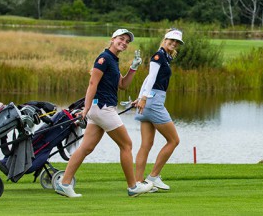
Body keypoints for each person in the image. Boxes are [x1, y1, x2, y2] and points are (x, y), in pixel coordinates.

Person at [55, 28, 153, 198]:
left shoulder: (113, 60)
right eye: (121, 39)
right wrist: (85, 109)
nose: (124, 43)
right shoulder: (104, 58)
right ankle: (132, 186)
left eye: (127, 41)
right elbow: (92, 83)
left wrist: (133, 68)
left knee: (86, 147)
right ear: (113, 39)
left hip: (100, 110)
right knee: (127, 145)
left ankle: (64, 183)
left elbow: (122, 85)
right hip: (102, 108)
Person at [133, 28, 184, 192]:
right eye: (171, 40)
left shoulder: (164, 57)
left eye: (177, 42)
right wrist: (144, 97)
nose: (174, 43)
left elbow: (148, 79)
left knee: (146, 144)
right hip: (154, 102)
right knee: (174, 140)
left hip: (148, 100)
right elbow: (152, 77)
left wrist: (141, 97)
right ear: (165, 39)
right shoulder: (158, 56)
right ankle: (153, 177)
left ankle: (138, 183)